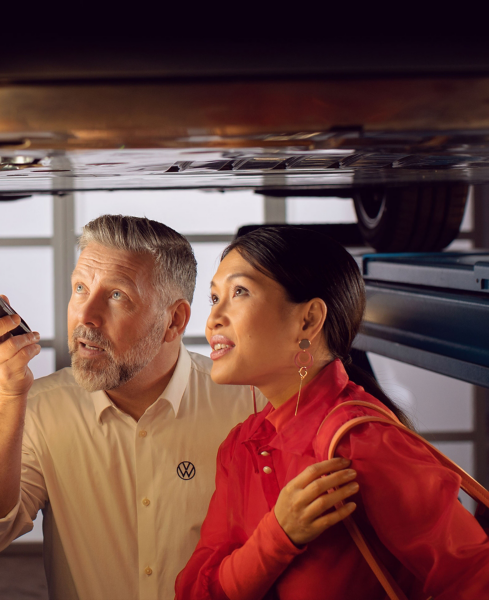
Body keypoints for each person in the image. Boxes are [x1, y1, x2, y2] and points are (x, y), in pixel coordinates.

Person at [175, 225, 489, 600]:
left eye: (239, 292)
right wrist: (279, 535)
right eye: (214, 298)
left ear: (308, 320)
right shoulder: (241, 445)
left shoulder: (361, 442)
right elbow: (196, 593)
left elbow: (473, 576)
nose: (213, 319)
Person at [0, 215, 265, 600]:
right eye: (80, 288)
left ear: (174, 321)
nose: (86, 316)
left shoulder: (250, 402)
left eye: (117, 296)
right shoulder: (39, 407)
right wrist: (7, 394)